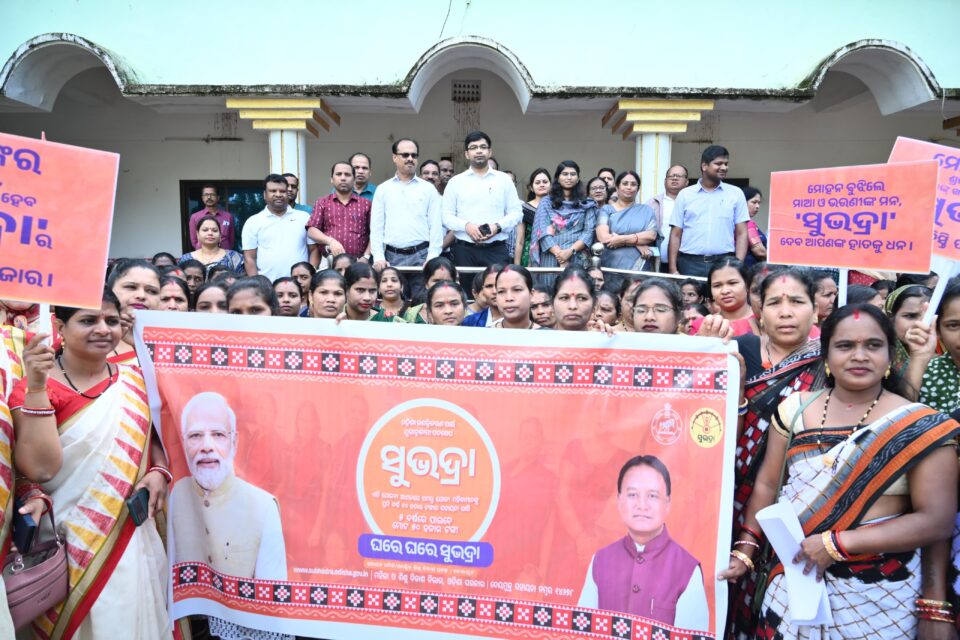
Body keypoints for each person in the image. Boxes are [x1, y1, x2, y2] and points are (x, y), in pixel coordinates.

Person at [720, 303, 960, 639]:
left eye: (873, 345)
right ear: (827, 356)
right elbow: (767, 484)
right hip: (793, 583)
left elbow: (936, 520)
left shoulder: (920, 425)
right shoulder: (795, 410)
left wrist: (836, 544)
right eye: (845, 345)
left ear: (890, 356)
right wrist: (746, 549)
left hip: (880, 598)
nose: (859, 356)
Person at [10, 289, 172, 638]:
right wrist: (37, 386)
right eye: (88, 320)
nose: (103, 329)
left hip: (128, 535)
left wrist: (159, 471)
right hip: (65, 540)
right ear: (59, 327)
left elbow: (156, 438)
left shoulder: (138, 379)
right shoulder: (33, 388)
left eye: (111, 320)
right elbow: (39, 469)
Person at [724, 267, 826, 635]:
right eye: (774, 303)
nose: (785, 312)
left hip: (799, 508)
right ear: (759, 312)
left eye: (797, 301)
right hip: (729, 496)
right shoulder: (735, 352)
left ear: (816, 310)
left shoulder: (833, 363)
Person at [168, 391, 289, 640]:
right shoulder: (176, 495)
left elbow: (271, 608)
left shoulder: (263, 507)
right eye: (195, 436)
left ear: (234, 442)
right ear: (183, 441)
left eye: (218, 435)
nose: (207, 446)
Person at [579, 455, 708, 630]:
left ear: (668, 503)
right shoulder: (601, 560)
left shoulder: (687, 569)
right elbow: (582, 631)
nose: (642, 505)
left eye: (652, 496)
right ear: (619, 500)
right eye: (632, 494)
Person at [442, 131, 523, 283]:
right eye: (473, 147)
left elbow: (516, 213)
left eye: (483, 147)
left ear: (490, 152)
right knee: (466, 293)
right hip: (464, 250)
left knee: (499, 290)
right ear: (467, 154)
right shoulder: (456, 182)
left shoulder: (503, 180)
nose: (479, 151)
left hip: (496, 249)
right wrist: (466, 226)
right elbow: (446, 216)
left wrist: (497, 227)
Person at [370, 138, 443, 300]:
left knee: (421, 303)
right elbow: (376, 227)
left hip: (422, 256)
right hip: (391, 257)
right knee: (394, 304)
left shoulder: (428, 189)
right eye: (405, 155)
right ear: (394, 157)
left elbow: (436, 226)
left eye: (414, 155)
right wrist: (379, 256)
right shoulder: (383, 189)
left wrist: (432, 256)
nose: (410, 158)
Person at [668, 146, 748, 277]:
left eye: (726, 164)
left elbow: (742, 233)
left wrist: (738, 266)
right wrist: (672, 269)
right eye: (718, 163)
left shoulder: (736, 193)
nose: (724, 167)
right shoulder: (685, 195)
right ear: (704, 166)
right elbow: (676, 234)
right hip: (689, 263)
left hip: (724, 262)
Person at [530, 161, 598, 287]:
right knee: (549, 291)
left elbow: (589, 232)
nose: (569, 177)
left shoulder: (587, 203)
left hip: (577, 256)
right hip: (551, 257)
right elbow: (542, 232)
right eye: (565, 174)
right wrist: (560, 255)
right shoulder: (546, 202)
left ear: (578, 178)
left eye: (573, 174)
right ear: (558, 177)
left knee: (576, 291)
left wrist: (569, 252)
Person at [242, 174, 319, 282]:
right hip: (267, 285)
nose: (278, 195)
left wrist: (310, 277)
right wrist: (257, 285)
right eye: (273, 191)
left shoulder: (304, 218)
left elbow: (314, 250)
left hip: (299, 285)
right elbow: (249, 258)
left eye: (282, 191)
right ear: (264, 194)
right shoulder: (253, 222)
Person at [903, 278, 960, 413]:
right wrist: (919, 358)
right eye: (953, 325)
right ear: (937, 329)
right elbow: (900, 418)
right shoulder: (926, 374)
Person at [595, 170, 658, 289]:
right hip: (611, 265)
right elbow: (603, 237)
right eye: (625, 183)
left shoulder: (647, 210)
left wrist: (622, 239)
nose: (629, 187)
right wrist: (637, 242)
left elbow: (651, 235)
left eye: (633, 184)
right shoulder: (606, 210)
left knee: (637, 295)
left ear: (638, 189)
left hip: (639, 264)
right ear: (617, 187)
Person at [307, 161, 372, 263]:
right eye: (338, 174)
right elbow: (311, 230)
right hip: (330, 261)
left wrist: (366, 257)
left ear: (354, 179)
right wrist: (330, 241)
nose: (343, 178)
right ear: (332, 179)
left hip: (359, 262)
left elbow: (375, 233)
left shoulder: (366, 204)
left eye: (347, 175)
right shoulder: (322, 202)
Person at [108, 259, 162, 365]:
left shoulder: (174, 342)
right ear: (109, 290)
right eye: (131, 287)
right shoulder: (90, 335)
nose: (141, 295)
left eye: (152, 291)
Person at [692, 258, 759, 337]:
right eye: (717, 285)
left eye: (732, 283)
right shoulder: (703, 325)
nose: (725, 291)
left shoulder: (764, 320)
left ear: (747, 285)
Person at [644, 165, 688, 271]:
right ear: (665, 181)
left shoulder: (692, 203)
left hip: (686, 262)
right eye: (671, 176)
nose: (674, 178)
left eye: (679, 176)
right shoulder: (652, 204)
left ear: (687, 182)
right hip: (657, 262)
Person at [884, 284, 932, 376]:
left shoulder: (952, 354)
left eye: (928, 316)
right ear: (891, 318)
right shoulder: (880, 357)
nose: (921, 324)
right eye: (910, 316)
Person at [510, 168, 550, 267]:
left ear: (551, 185)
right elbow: (520, 241)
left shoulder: (557, 208)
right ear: (531, 187)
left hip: (551, 254)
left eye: (545, 182)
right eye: (537, 182)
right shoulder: (524, 209)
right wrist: (517, 266)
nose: (542, 185)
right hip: (529, 257)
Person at [401, 257, 459, 323]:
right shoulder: (412, 314)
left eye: (447, 281)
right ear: (426, 283)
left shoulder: (464, 313)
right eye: (436, 281)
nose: (441, 285)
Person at [180, 215, 245, 275]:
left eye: (214, 230)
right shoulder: (186, 259)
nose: (210, 233)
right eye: (205, 230)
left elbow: (241, 282)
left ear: (220, 235)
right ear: (197, 234)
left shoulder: (234, 258)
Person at [188, 184, 238, 250]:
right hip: (203, 254)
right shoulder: (194, 217)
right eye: (206, 195)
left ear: (218, 197)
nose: (209, 197)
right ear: (202, 198)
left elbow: (231, 240)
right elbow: (194, 241)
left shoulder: (228, 216)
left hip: (225, 253)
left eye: (212, 194)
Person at [493, 265, 541, 330]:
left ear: (531, 294)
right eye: (501, 291)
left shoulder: (548, 335)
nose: (509, 298)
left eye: (517, 290)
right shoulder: (484, 334)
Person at [552, 267, 597, 332]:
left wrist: (604, 335)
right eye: (564, 298)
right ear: (552, 304)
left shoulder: (605, 336)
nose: (572, 306)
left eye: (582, 298)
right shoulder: (538, 337)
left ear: (594, 305)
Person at [742, 186, 767, 267]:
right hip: (748, 268)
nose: (757, 206)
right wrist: (777, 261)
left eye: (759, 203)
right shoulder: (746, 223)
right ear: (743, 202)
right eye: (754, 202)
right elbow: (759, 252)